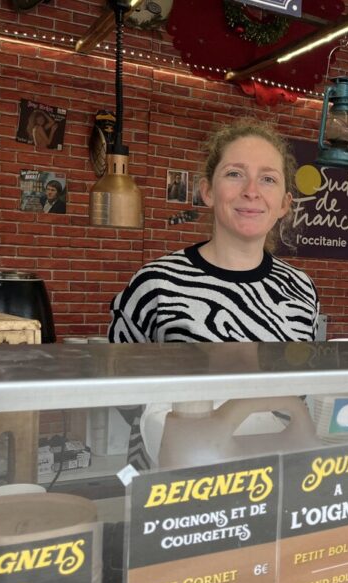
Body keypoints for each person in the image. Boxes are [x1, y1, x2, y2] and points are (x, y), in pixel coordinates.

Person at [109, 118, 319, 468]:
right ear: (207, 191)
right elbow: (119, 388)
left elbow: (297, 393)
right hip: (177, 480)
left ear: (284, 203)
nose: (252, 191)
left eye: (267, 178)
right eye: (235, 174)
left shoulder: (300, 288)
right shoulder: (156, 282)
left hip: (271, 474)